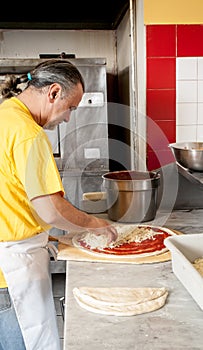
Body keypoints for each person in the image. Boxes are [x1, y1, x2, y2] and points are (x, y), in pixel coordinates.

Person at [0, 59, 118, 350]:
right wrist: (95, 224)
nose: (67, 119)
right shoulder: (28, 134)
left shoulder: (5, 116)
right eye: (71, 108)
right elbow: (50, 209)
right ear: (53, 93)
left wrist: (50, 235)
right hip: (12, 269)